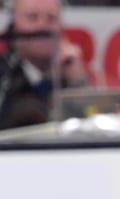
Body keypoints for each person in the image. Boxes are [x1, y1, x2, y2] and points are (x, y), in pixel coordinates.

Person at [0, 0, 88, 130]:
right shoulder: (4, 78)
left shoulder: (68, 74)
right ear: (13, 26)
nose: (42, 26)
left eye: (51, 18)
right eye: (32, 17)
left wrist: (78, 83)